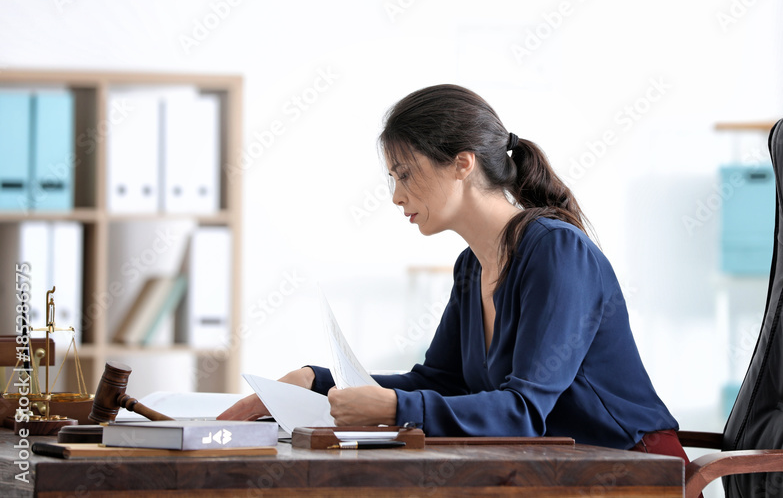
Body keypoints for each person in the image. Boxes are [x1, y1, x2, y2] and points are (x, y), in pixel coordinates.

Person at [218, 84, 688, 460]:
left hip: (633, 469)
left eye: (405, 174)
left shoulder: (556, 250)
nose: (396, 196)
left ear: (462, 163)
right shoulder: (472, 266)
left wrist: (395, 408)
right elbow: (441, 381)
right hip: (553, 466)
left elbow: (524, 413)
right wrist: (315, 381)